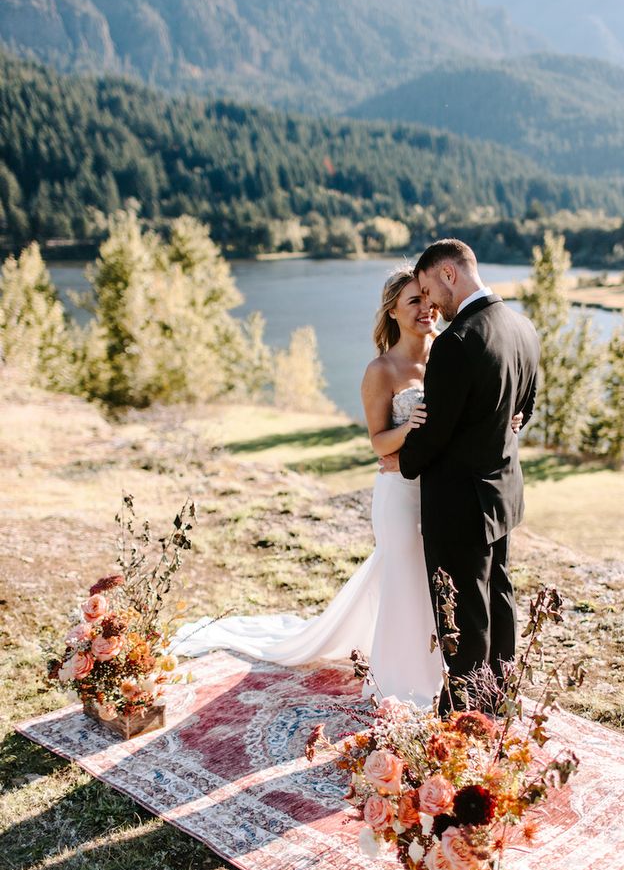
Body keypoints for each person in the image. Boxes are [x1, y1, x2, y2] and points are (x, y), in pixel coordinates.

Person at [171, 267, 444, 706]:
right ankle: (400, 681)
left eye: (428, 298)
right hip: (399, 493)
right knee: (402, 581)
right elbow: (377, 442)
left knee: (427, 581)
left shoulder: (447, 356)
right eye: (413, 301)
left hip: (441, 493)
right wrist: (409, 427)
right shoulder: (382, 369)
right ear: (392, 311)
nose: (425, 309)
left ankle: (435, 664)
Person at [382, 238, 540, 714]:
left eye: (429, 289)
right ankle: (502, 697)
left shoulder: (457, 341)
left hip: (457, 502)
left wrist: (402, 463)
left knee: (462, 612)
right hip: (502, 493)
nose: (430, 302)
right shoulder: (523, 327)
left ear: (449, 274)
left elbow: (436, 432)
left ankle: (465, 719)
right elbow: (523, 409)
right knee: (499, 594)